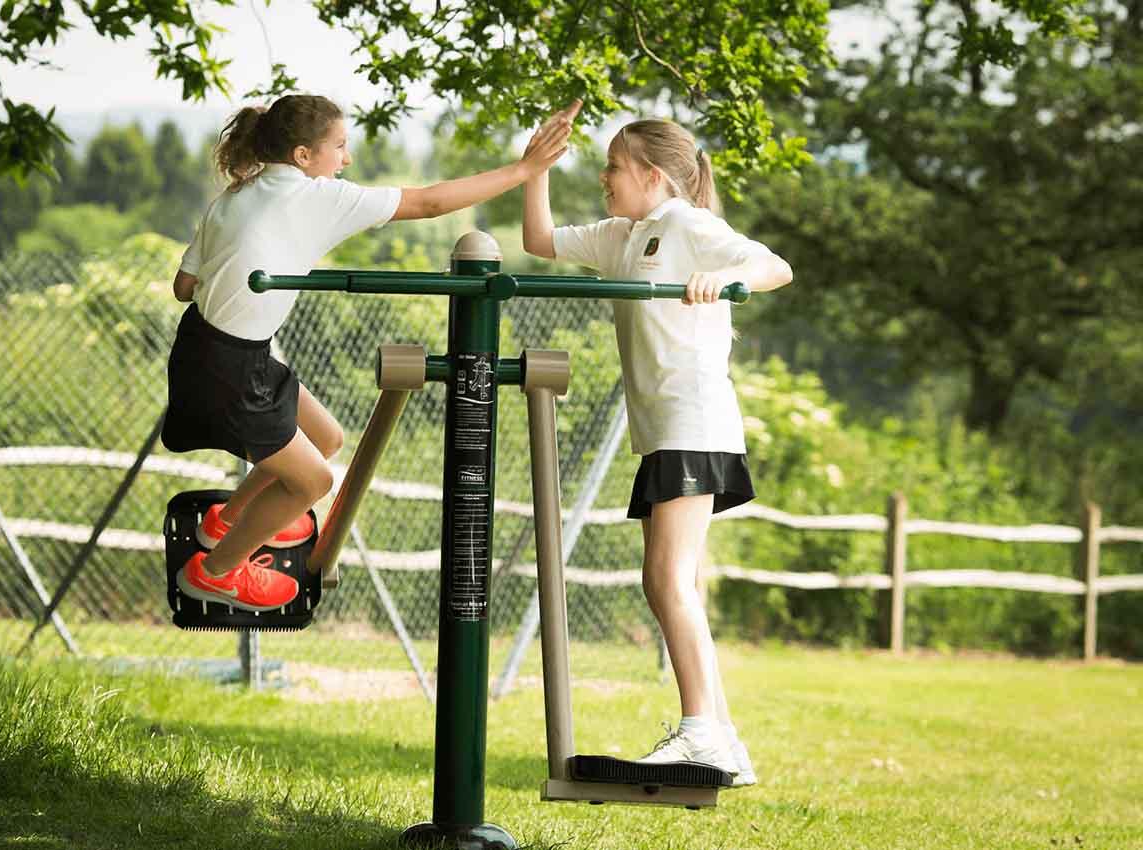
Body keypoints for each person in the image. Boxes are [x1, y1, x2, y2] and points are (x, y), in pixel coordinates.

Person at [165, 93, 579, 612]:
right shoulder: (317, 197)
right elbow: (428, 203)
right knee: (313, 481)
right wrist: (525, 169)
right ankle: (215, 572)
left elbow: (185, 287)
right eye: (339, 146)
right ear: (302, 156)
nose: (347, 159)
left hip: (211, 347)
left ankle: (226, 522)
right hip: (230, 370)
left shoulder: (234, 196)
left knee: (326, 437)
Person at [521, 110, 792, 786]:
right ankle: (721, 738)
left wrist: (727, 281)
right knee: (674, 580)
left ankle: (703, 733)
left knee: (667, 579)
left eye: (614, 167)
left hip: (691, 421)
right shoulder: (625, 236)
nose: (605, 177)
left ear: (652, 175)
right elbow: (539, 239)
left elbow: (773, 266)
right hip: (668, 429)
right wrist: (535, 171)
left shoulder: (685, 224)